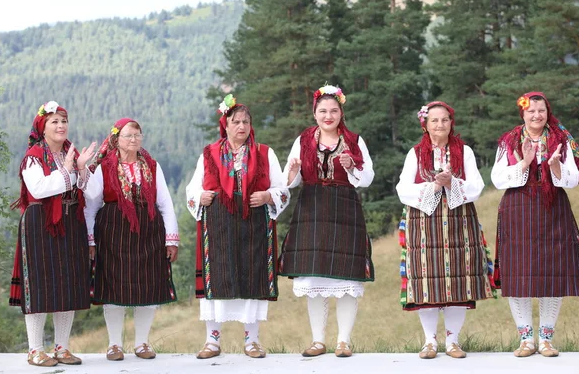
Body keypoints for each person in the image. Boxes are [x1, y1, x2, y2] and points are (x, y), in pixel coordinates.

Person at [186, 94, 290, 359]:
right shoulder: (209, 153)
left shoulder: (264, 153)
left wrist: (268, 196)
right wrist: (201, 197)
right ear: (226, 124)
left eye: (246, 121)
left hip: (254, 226)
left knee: (252, 277)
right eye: (235, 122)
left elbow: (282, 189)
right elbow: (193, 188)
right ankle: (212, 340)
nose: (241, 126)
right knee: (217, 278)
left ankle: (251, 340)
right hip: (219, 226)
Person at [491, 91, 579, 357]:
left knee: (552, 274)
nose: (536, 116)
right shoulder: (509, 140)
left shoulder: (561, 140)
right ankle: (526, 339)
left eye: (541, 111)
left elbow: (572, 180)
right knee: (519, 274)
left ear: (548, 112)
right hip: (518, 209)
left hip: (552, 208)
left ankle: (546, 338)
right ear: (522, 114)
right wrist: (524, 162)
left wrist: (556, 166)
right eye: (531, 111)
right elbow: (498, 180)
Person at [279, 85, 374, 358]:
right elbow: (289, 181)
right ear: (314, 113)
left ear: (341, 112)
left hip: (344, 208)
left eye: (333, 110)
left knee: (346, 275)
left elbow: (367, 178)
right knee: (314, 276)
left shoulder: (355, 140)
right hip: (311, 208)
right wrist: (294, 171)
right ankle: (318, 340)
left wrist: (351, 166)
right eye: (323, 111)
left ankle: (343, 341)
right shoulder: (304, 139)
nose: (328, 115)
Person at [396, 101, 495, 359]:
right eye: (434, 121)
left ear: (452, 123)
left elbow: (476, 186)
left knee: (457, 281)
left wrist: (452, 183)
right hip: (423, 224)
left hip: (458, 221)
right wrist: (433, 188)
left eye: (444, 120)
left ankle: (453, 341)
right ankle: (429, 341)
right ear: (425, 125)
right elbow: (403, 189)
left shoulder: (465, 152)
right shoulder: (415, 153)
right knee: (426, 281)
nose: (440, 125)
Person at [9, 101, 98, 367]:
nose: (61, 126)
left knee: (67, 284)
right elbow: (39, 188)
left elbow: (91, 192)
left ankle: (62, 348)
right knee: (39, 285)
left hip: (71, 222)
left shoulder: (72, 152)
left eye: (63, 121)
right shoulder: (34, 156)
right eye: (54, 122)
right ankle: (35, 349)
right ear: (43, 126)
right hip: (40, 223)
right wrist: (70, 169)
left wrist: (81, 168)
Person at [85, 118, 179, 361]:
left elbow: (165, 203)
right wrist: (91, 241)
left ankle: (142, 343)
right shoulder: (104, 166)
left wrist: (171, 239)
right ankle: (114, 344)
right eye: (128, 136)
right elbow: (91, 206)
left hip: (149, 234)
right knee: (113, 288)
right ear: (117, 139)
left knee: (147, 287)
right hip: (113, 234)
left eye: (138, 135)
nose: (134, 140)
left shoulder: (151, 165)